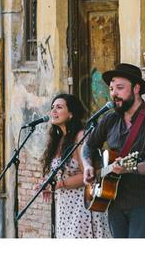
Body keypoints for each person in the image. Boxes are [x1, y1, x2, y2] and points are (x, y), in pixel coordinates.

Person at [81, 63, 145, 238]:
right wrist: (87, 166)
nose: (114, 93)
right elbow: (89, 145)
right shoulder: (110, 118)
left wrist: (130, 167)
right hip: (114, 201)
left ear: (136, 88)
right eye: (111, 88)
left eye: (120, 88)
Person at [39, 93, 110, 238]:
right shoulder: (58, 140)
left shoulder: (80, 136)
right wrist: (47, 184)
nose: (53, 111)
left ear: (71, 113)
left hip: (82, 205)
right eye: (52, 107)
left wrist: (58, 184)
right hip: (64, 205)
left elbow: (88, 176)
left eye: (59, 107)